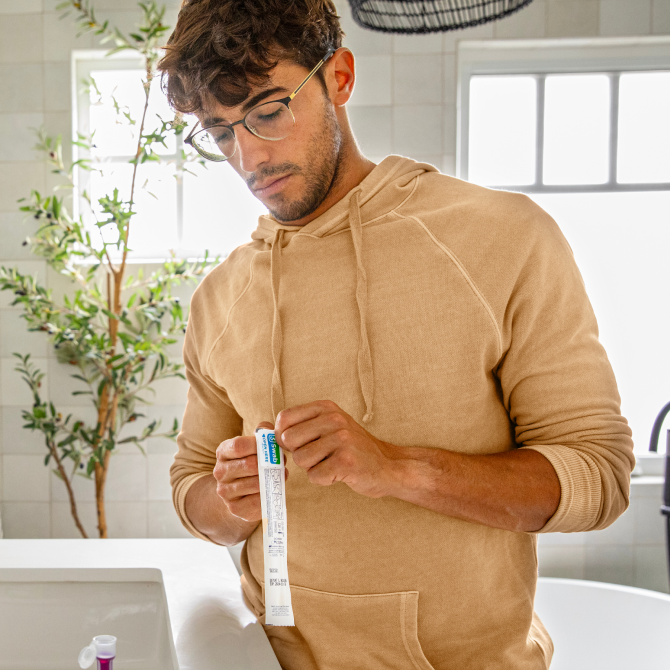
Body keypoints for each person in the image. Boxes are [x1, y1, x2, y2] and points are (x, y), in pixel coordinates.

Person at [158, 1, 635, 668]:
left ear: (340, 77)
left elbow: (598, 474)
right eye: (220, 132)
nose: (249, 156)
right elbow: (192, 496)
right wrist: (231, 500)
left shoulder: (503, 236)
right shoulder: (220, 297)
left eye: (268, 112)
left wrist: (397, 468)